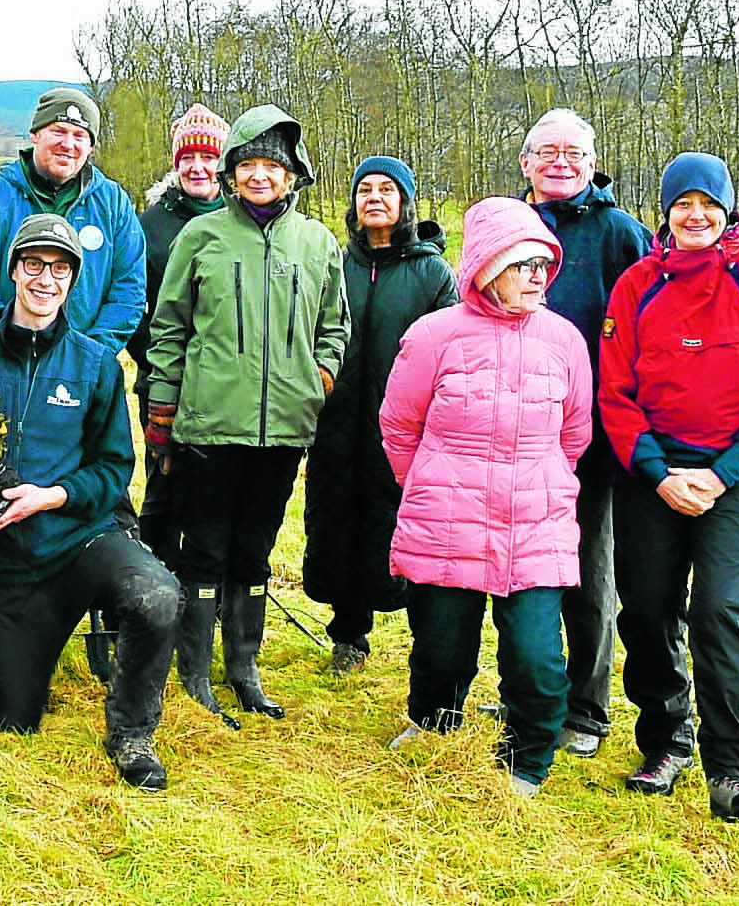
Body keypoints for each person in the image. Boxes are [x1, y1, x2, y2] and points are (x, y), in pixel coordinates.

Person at [0, 214, 180, 791]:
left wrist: (52, 496)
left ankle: (133, 732)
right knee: (10, 721)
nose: (46, 279)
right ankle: (13, 657)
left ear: (72, 282)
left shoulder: (94, 364)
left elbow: (115, 467)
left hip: (81, 540)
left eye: (60, 269)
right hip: (8, 561)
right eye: (34, 265)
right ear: (13, 270)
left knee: (157, 596)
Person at [601, 153, 739, 820]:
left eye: (706, 204)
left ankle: (731, 767)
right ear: (664, 211)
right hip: (654, 473)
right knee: (647, 606)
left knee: (719, 609)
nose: (694, 216)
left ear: (727, 210)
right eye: (681, 204)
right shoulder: (636, 285)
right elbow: (615, 391)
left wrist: (719, 476)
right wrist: (659, 475)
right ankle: (664, 742)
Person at [380, 196, 592, 798]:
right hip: (448, 518)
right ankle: (433, 722)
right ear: (485, 267)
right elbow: (400, 426)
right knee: (442, 646)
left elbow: (574, 433)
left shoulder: (564, 341)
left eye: (541, 266)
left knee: (536, 658)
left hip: (535, 526)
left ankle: (528, 754)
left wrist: (537, 485)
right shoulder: (434, 336)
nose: (535, 277)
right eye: (521, 264)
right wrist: (428, 487)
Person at [146, 105, 349, 720]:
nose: (260, 176)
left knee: (255, 551)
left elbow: (334, 326)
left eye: (272, 166)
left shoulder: (316, 244)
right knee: (204, 549)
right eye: (249, 165)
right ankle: (195, 670)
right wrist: (163, 410)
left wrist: (318, 379)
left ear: (293, 176)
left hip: (285, 428)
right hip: (209, 425)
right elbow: (170, 327)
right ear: (232, 174)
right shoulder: (200, 238)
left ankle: (244, 665)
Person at [514, 108, 651, 758]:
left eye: (573, 152)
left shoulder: (619, 232)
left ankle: (587, 709)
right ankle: (529, 691)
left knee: (584, 570)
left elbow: (651, 320)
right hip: (514, 432)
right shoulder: (510, 227)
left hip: (591, 437)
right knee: (521, 569)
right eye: (547, 152)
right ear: (526, 164)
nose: (560, 162)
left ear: (591, 161)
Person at [302, 156, 457, 675]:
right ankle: (349, 635)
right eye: (365, 188)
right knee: (339, 520)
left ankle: (428, 647)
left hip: (405, 429)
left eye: (387, 189)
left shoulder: (431, 272)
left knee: (404, 527)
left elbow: (450, 353)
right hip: (337, 423)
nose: (374, 197)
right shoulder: (333, 264)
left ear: (405, 201)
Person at [133, 103, 231, 713]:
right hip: (166, 385)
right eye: (188, 157)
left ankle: (210, 619)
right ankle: (155, 607)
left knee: (218, 506)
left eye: (209, 155)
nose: (199, 166)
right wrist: (165, 366)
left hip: (230, 395)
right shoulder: (153, 225)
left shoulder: (240, 217)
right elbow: (140, 306)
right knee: (164, 497)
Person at [0, 87, 144, 354]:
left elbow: (129, 291)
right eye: (58, 131)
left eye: (79, 135)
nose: (68, 144)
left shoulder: (114, 204)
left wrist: (89, 355)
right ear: (35, 135)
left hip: (84, 367)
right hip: (3, 358)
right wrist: (9, 345)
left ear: (90, 147)